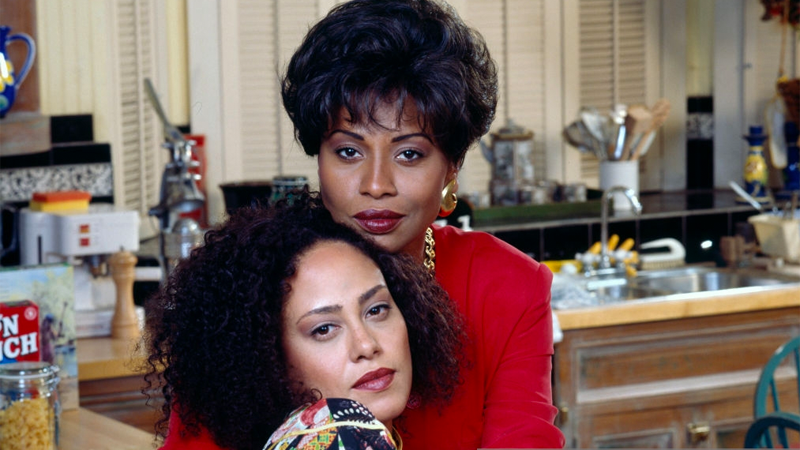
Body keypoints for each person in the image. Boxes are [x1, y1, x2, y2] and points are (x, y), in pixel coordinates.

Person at [281, 0, 565, 448]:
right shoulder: (258, 285)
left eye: (409, 153)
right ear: (319, 157)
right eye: (349, 151)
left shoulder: (509, 286)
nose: (376, 184)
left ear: (451, 168)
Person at [143, 191, 466, 450]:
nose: (366, 345)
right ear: (269, 358)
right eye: (324, 329)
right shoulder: (342, 436)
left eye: (376, 310)